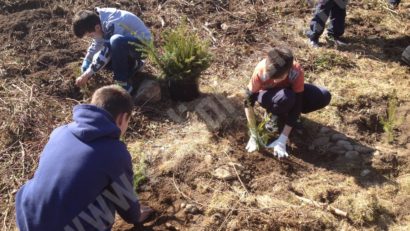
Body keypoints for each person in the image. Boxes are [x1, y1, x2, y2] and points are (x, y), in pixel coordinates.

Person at [15, 85, 153, 231]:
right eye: (128, 121)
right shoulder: (114, 152)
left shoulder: (60, 131)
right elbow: (126, 205)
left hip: (28, 218)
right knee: (109, 197)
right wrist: (136, 214)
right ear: (122, 118)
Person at [244, 47, 331, 158]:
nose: (274, 81)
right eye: (272, 77)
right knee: (285, 98)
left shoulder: (296, 71)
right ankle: (274, 116)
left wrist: (282, 139)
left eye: (279, 77)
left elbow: (298, 102)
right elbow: (248, 100)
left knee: (323, 95)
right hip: (267, 96)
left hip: (288, 94)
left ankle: (288, 118)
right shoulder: (261, 71)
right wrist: (253, 133)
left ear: (289, 69)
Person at [73, 8, 152, 93]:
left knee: (115, 41)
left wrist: (86, 75)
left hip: (142, 46)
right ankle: (134, 65)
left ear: (97, 27)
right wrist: (87, 61)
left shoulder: (111, 23)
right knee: (99, 58)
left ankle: (123, 84)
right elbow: (97, 43)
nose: (92, 38)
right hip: (127, 46)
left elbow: (107, 51)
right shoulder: (97, 22)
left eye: (90, 36)